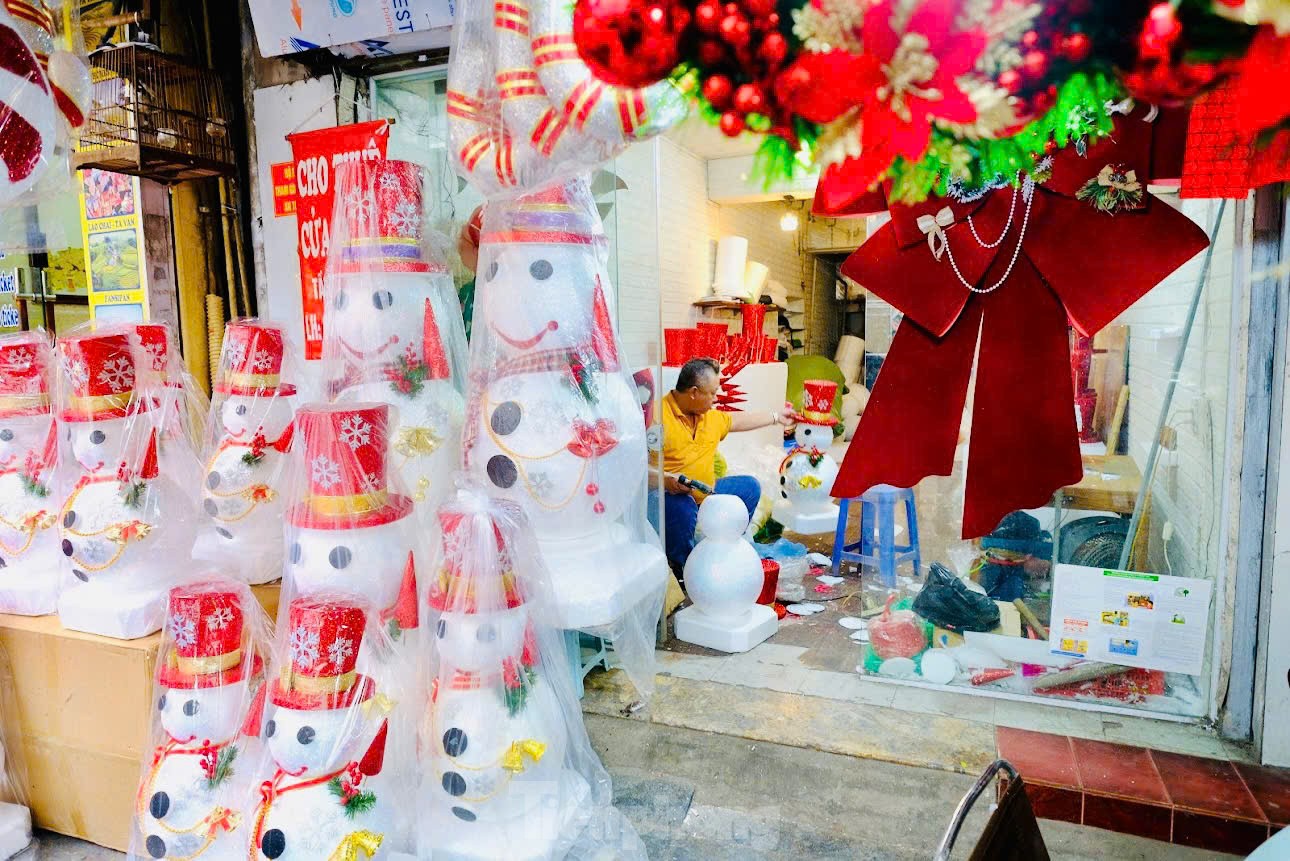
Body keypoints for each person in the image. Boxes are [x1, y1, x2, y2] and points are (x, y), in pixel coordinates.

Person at [651, 356, 795, 571]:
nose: (716, 399)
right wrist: (667, 481)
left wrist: (776, 416)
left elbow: (738, 421)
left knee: (749, 487)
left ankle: (724, 547)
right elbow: (638, 472)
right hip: (670, 498)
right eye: (712, 393)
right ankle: (686, 567)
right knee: (681, 507)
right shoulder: (655, 417)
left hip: (706, 491)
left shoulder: (709, 416)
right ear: (694, 392)